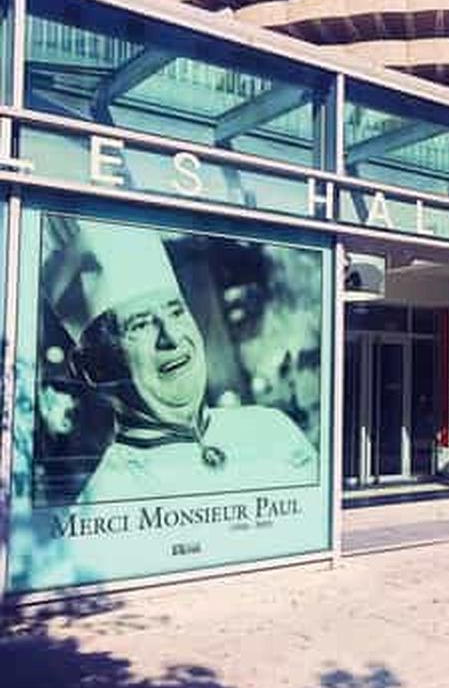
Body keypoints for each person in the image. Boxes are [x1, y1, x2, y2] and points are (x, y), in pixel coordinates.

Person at [41, 215, 318, 505]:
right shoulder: (107, 496)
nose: (171, 337)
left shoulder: (272, 428)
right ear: (95, 367)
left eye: (176, 312)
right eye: (140, 324)